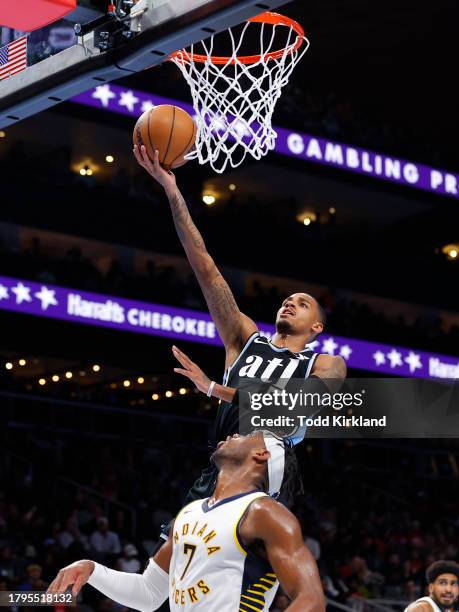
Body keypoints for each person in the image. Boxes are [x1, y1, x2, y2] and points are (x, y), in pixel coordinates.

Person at [132, 145, 347, 508]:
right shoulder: (244, 338)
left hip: (268, 463)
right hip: (222, 462)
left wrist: (214, 388)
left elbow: (291, 407)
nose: (290, 302)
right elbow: (205, 266)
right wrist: (173, 192)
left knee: (235, 553)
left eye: (303, 303)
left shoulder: (327, 364)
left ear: (317, 328)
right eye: (287, 299)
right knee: (172, 558)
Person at [48, 431, 325, 612]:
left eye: (249, 435)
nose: (235, 433)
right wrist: (92, 569)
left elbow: (311, 600)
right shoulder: (189, 513)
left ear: (261, 455)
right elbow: (149, 593)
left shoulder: (265, 512)